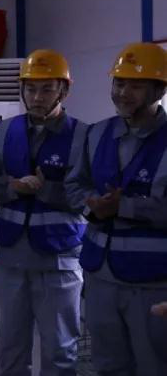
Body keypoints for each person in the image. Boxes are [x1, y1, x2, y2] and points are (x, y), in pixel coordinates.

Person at [0, 49, 88, 376]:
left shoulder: (84, 136)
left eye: (47, 89)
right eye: (30, 88)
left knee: (60, 352)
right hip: (11, 257)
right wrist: (12, 187)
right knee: (10, 350)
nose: (37, 97)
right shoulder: (3, 131)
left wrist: (46, 189)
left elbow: (90, 194)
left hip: (59, 260)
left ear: (64, 90)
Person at [64, 42, 167, 376]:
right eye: (119, 83)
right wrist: (91, 205)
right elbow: (73, 185)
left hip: (152, 281)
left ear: (159, 90)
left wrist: (124, 208)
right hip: (100, 275)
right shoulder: (96, 133)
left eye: (135, 86)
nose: (123, 93)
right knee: (108, 365)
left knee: (153, 365)